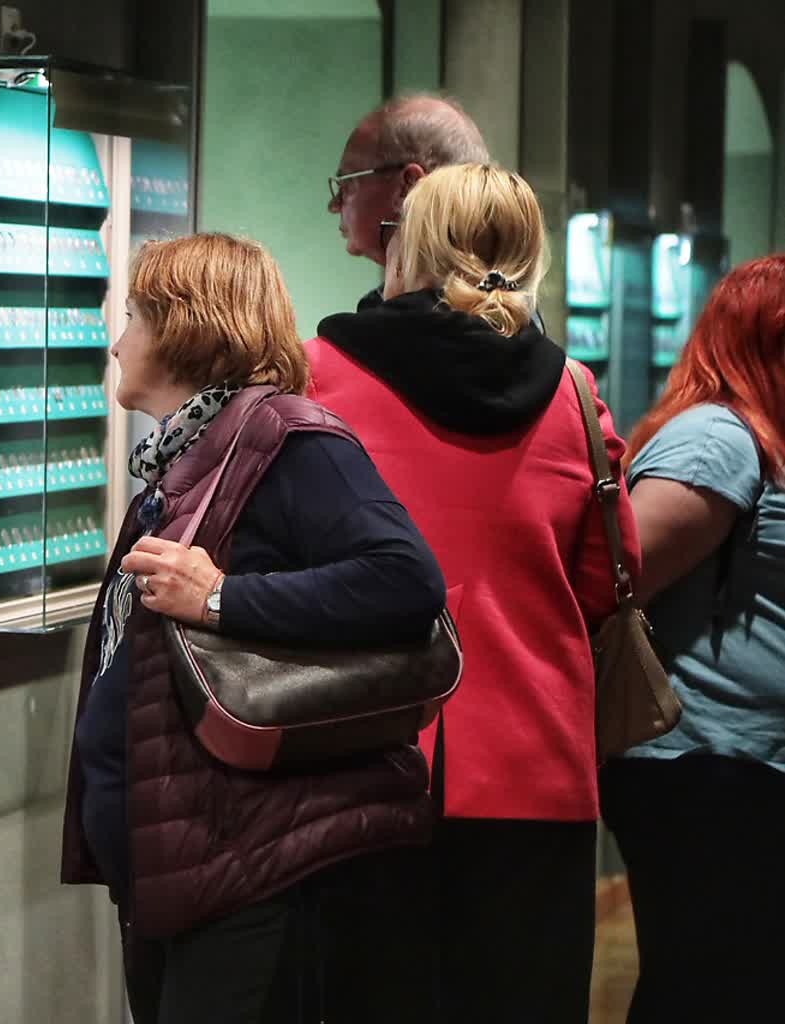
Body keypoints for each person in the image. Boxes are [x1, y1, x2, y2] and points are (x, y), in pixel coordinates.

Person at [60, 232, 448, 1023]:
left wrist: (220, 599)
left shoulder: (286, 437)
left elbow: (405, 581)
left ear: (185, 327)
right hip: (189, 860)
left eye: (133, 317)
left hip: (251, 862)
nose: (116, 342)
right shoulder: (191, 456)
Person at [305, 163, 641, 1023]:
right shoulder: (574, 395)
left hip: (357, 756)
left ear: (407, 244)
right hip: (536, 765)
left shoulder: (320, 375)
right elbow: (607, 579)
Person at [598, 254, 785, 1024]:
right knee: (708, 987)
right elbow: (616, 583)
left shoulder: (761, 439)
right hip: (704, 766)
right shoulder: (717, 439)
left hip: (744, 768)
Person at [328, 94, 490, 291]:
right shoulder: (505, 300)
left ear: (410, 185)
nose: (333, 205)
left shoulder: (414, 308)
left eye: (347, 183)